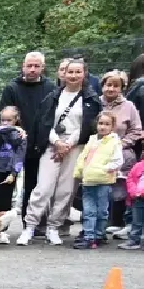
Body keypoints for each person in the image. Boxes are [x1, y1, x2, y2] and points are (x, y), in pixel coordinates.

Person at [20, 58, 101, 246]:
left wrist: (69, 143)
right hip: (52, 145)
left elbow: (89, 125)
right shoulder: (52, 97)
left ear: (84, 74)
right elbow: (43, 122)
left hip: (76, 148)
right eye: (69, 72)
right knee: (44, 188)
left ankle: (54, 227)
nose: (73, 76)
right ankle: (30, 226)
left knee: (65, 190)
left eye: (77, 72)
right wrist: (57, 142)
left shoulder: (90, 99)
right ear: (63, 74)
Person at [0, 51, 52, 211]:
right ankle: (1, 225)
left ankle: (30, 224)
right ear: (23, 66)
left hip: (38, 144)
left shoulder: (50, 88)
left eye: (36, 66)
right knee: (6, 183)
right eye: (29, 66)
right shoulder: (12, 88)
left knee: (33, 185)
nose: (32, 69)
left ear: (43, 67)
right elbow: (3, 115)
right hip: (13, 144)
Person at [97, 71, 143, 234]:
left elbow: (136, 130)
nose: (111, 89)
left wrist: (120, 144)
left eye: (116, 85)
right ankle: (99, 225)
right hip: (98, 152)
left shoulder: (129, 106)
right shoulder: (95, 103)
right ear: (102, 85)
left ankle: (121, 221)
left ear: (122, 88)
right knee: (99, 188)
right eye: (108, 84)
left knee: (121, 189)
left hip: (122, 152)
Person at [72, 110, 122, 248]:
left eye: (107, 124)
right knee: (88, 210)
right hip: (88, 180)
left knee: (101, 210)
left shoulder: (114, 141)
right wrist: (80, 171)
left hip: (103, 181)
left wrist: (104, 169)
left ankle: (99, 234)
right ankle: (89, 236)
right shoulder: (92, 139)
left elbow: (118, 160)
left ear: (112, 127)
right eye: (100, 123)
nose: (103, 127)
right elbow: (84, 156)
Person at [0, 106, 28, 220]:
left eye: (9, 120)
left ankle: (2, 229)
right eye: (3, 120)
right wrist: (13, 129)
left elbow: (20, 156)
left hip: (9, 171)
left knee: (5, 201)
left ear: (16, 119)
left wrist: (14, 173)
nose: (5, 123)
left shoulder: (21, 136)